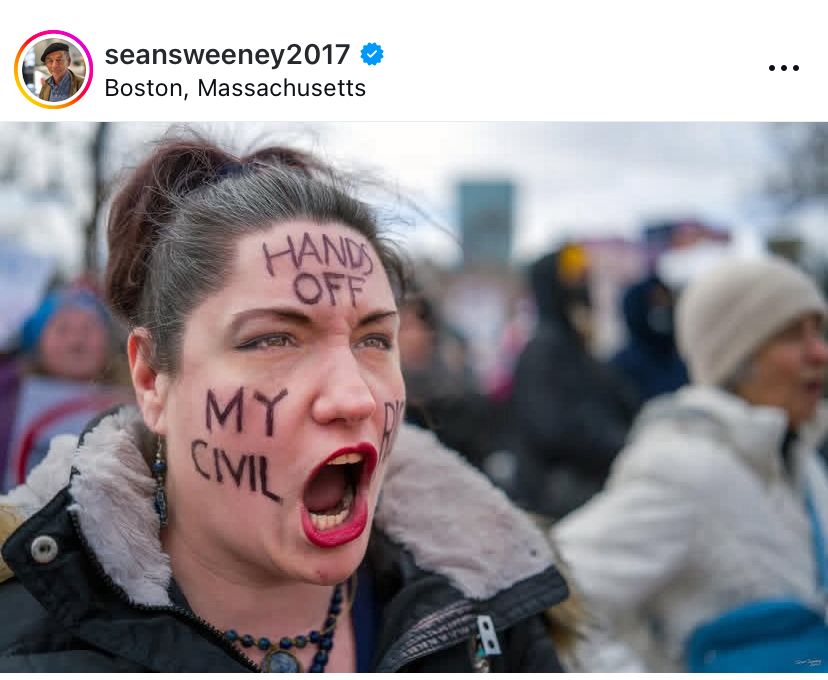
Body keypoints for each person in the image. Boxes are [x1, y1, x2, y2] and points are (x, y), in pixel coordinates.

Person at [0, 138, 570, 672]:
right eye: (273, 339)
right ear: (152, 379)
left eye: (374, 340)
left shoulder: (496, 614)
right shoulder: (27, 641)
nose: (355, 397)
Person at [555, 256, 828, 671]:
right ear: (738, 356)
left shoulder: (802, 462)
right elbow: (554, 600)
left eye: (819, 330)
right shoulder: (685, 470)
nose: (820, 352)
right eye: (792, 334)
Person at [508, 245, 640, 519]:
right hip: (556, 504)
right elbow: (554, 429)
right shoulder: (545, 350)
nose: (582, 287)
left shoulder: (577, 348)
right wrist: (621, 444)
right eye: (573, 277)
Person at [610, 272, 688, 402]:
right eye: (655, 303)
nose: (662, 308)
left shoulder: (684, 358)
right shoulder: (619, 368)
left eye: (666, 300)